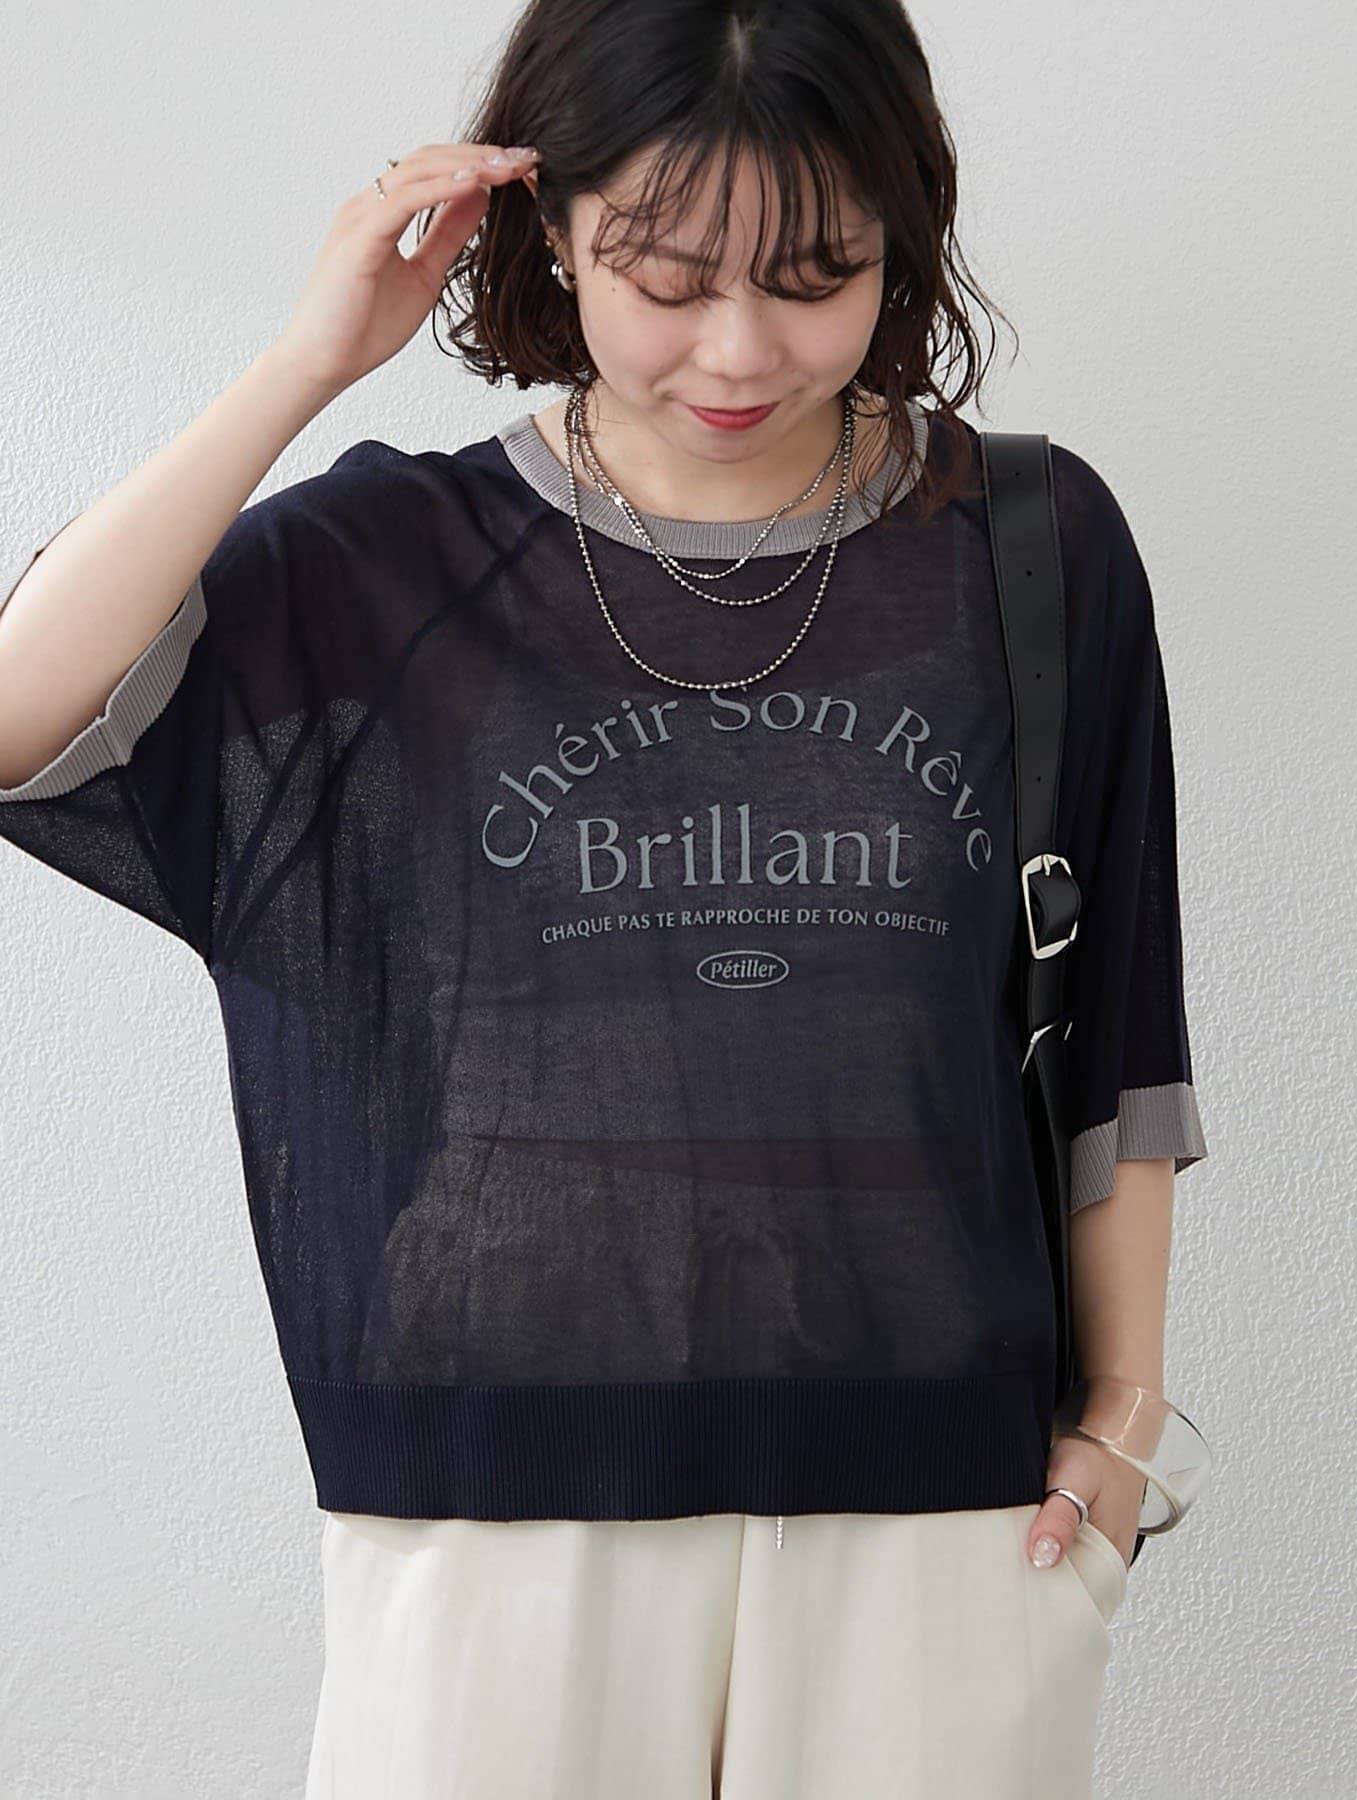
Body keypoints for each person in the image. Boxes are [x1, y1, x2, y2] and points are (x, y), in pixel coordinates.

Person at [0, 1, 1208, 1794]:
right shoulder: (389, 562)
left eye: (817, 273)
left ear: (904, 236)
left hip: (943, 1504)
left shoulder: (1029, 547)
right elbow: (23, 722)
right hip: (490, 1499)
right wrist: (309, 362)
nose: (740, 346)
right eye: (666, 275)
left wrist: (1123, 1423)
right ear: (553, 231)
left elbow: (1115, 1030)